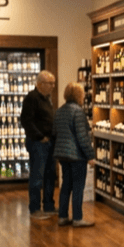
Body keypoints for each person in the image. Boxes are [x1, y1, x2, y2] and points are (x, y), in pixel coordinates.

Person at [53, 82, 97, 227]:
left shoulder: (59, 111)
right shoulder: (77, 111)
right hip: (76, 156)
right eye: (82, 94)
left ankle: (63, 216)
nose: (84, 96)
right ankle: (77, 218)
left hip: (62, 155)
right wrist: (90, 156)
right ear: (78, 95)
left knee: (66, 185)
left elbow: (55, 134)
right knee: (78, 186)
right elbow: (82, 137)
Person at [20, 70, 57, 219]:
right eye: (50, 83)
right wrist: (40, 137)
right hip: (38, 144)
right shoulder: (32, 98)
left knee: (50, 175)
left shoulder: (47, 99)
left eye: (53, 83)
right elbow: (26, 121)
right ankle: (35, 209)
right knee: (37, 177)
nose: (53, 86)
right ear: (40, 84)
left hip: (50, 143)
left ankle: (49, 206)